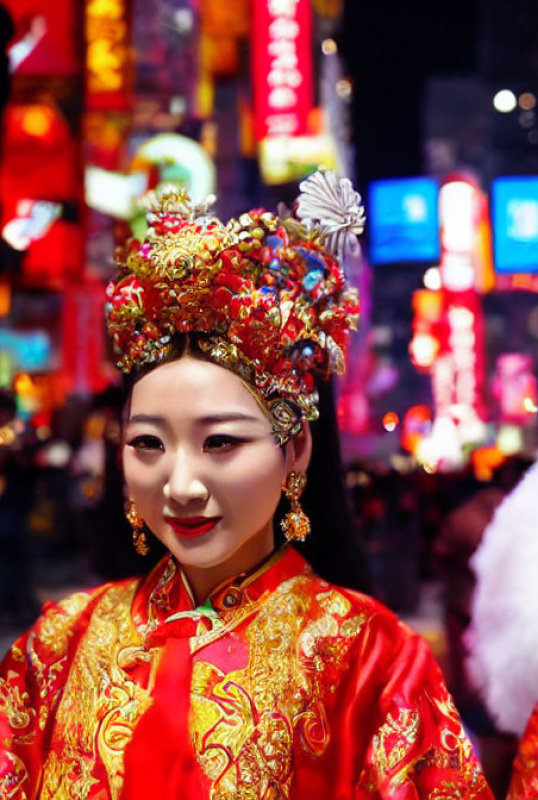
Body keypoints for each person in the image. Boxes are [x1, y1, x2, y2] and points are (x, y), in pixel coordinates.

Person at [0, 174, 492, 799]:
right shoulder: (60, 643)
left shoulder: (368, 656)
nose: (180, 486)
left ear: (295, 450)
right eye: (148, 443)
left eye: (221, 443)